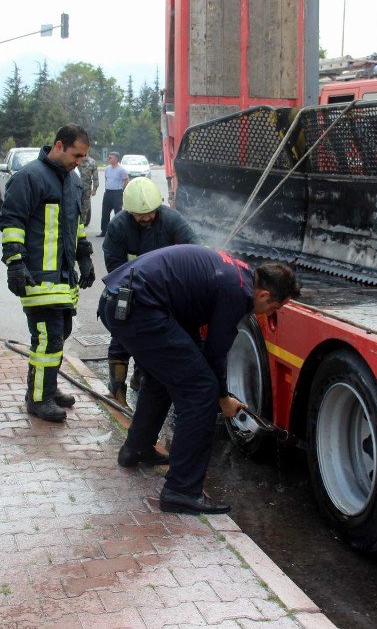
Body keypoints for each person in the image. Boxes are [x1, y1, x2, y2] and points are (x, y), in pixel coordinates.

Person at [99, 245, 300, 514]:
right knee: (200, 392)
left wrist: (219, 390)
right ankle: (181, 491)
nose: (265, 314)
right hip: (136, 307)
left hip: (125, 300)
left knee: (165, 378)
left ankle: (136, 449)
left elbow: (194, 333)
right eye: (271, 308)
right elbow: (217, 354)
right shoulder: (237, 293)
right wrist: (223, 397)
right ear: (263, 294)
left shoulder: (238, 273)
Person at [0, 124, 95, 423]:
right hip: (38, 276)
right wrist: (15, 263)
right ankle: (39, 399)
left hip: (64, 279)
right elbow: (12, 221)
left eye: (83, 157)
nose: (80, 161)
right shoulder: (28, 177)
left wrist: (85, 257)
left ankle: (47, 389)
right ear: (58, 146)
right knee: (47, 338)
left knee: (60, 335)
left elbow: (76, 225)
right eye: (76, 155)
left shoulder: (73, 181)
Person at [101, 176, 198, 407]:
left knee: (154, 336)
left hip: (163, 292)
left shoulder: (172, 220)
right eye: (140, 215)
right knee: (121, 333)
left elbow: (193, 248)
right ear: (128, 211)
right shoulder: (118, 227)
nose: (146, 218)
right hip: (126, 290)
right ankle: (117, 390)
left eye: (151, 213)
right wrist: (134, 293)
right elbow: (114, 267)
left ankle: (141, 377)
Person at [98, 151, 128, 237]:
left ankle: (120, 232)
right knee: (105, 212)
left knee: (118, 213)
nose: (109, 159)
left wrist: (122, 191)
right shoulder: (107, 168)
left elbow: (126, 180)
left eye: (110, 158)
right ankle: (104, 231)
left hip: (117, 192)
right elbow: (106, 178)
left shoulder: (121, 169)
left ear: (116, 159)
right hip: (108, 192)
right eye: (109, 157)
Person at [75, 153, 97, 227]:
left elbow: (95, 177)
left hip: (86, 189)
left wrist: (95, 188)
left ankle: (82, 223)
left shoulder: (92, 162)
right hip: (75, 187)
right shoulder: (76, 160)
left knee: (85, 206)